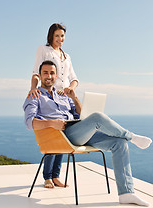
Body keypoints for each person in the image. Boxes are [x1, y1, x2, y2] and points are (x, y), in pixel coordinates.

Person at [23, 60, 152, 206]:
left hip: (79, 131)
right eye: (45, 72)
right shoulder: (35, 95)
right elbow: (29, 123)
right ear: (39, 76)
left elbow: (81, 114)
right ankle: (132, 137)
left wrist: (74, 97)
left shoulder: (62, 95)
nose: (49, 76)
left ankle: (126, 193)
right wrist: (52, 123)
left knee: (119, 143)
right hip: (62, 136)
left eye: (52, 73)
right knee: (97, 117)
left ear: (56, 75)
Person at [27, 24, 78, 189]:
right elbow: (36, 72)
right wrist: (33, 89)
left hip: (63, 99)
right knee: (52, 135)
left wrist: (71, 90)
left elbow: (74, 78)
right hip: (48, 96)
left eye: (62, 36)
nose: (60, 39)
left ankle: (55, 175)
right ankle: (47, 177)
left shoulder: (67, 56)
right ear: (51, 36)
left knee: (63, 136)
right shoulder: (44, 49)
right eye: (57, 35)